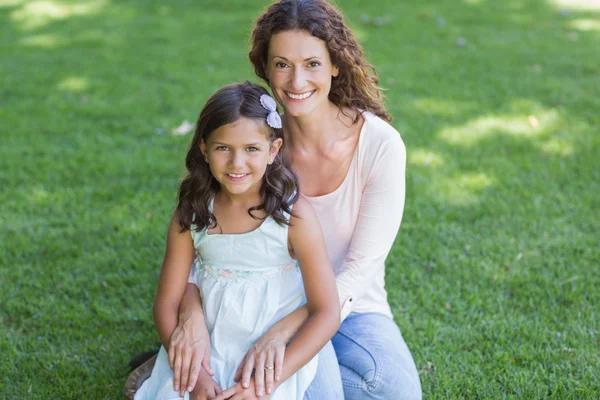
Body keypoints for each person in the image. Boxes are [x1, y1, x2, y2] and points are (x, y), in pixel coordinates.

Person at [127, 0, 423, 399]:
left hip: (343, 305)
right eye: (282, 64)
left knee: (389, 392)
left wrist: (285, 329)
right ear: (265, 68)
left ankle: (215, 366)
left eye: (312, 64)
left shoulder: (379, 145)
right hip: (248, 302)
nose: (296, 80)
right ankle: (189, 362)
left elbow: (361, 269)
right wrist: (190, 308)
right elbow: (210, 238)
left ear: (335, 64)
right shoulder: (251, 143)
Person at [133, 81, 340, 400]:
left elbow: (326, 311)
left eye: (251, 149)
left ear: (273, 150)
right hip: (208, 349)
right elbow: (166, 304)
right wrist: (199, 378)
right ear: (204, 149)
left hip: (271, 356)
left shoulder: (293, 217)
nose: (236, 163)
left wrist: (264, 386)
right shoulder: (192, 214)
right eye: (222, 148)